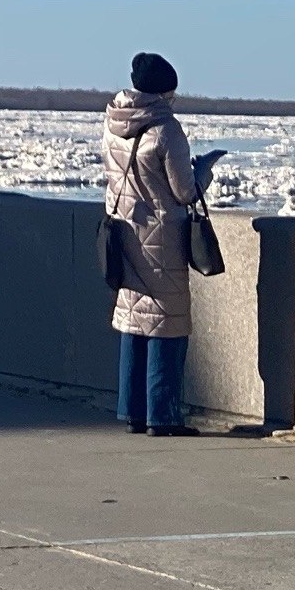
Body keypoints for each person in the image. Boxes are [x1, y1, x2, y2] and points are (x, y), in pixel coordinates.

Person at [103, 52, 199, 436]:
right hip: (161, 236)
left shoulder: (113, 123)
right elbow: (184, 190)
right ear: (162, 93)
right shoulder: (166, 129)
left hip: (124, 232)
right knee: (165, 324)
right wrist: (203, 173)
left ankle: (132, 411)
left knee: (133, 319)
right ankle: (163, 415)